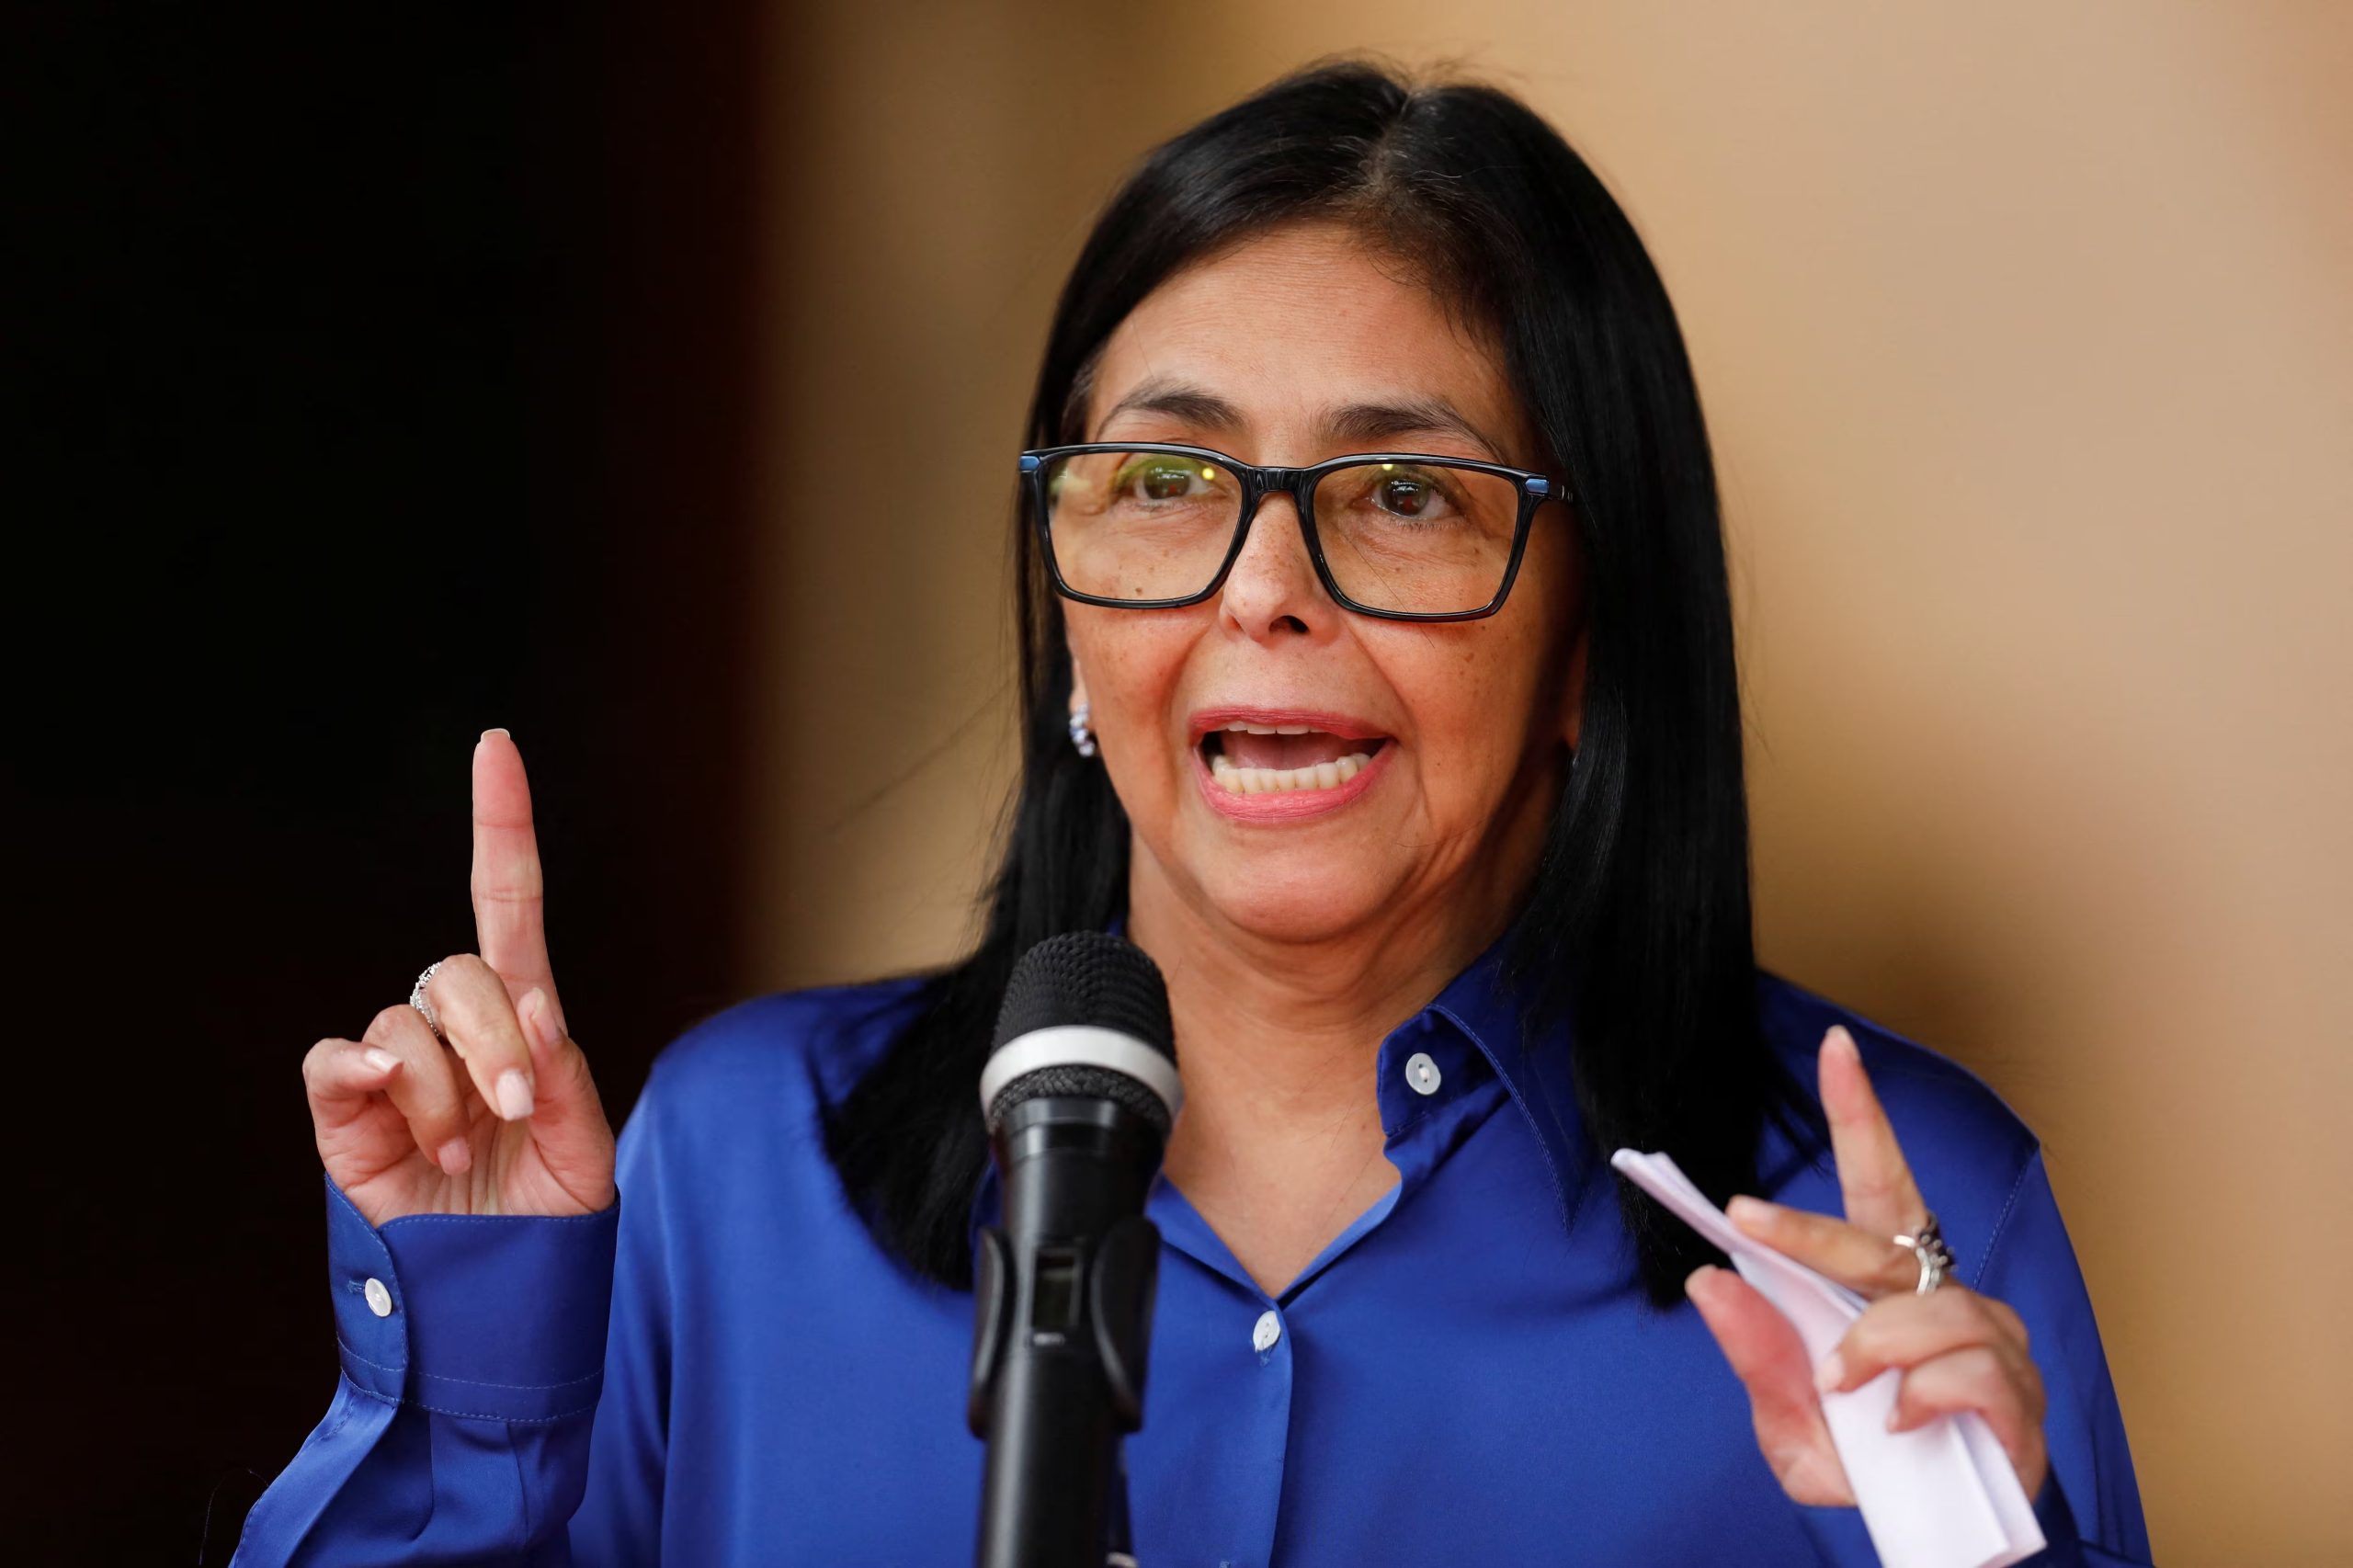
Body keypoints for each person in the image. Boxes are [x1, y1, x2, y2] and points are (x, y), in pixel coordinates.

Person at [232, 59, 2151, 1566]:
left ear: (1588, 642)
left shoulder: (1889, 1220)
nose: (1263, 587)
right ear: (1064, 611)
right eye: (1159, 478)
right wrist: (477, 1364)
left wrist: (1969, 1547)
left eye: (1404, 497)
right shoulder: (744, 1166)